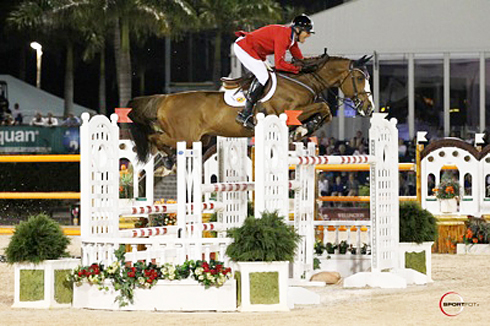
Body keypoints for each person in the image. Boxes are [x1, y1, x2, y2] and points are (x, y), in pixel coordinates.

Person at [233, 14, 315, 129]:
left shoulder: (291, 40)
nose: (309, 35)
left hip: (256, 51)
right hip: (244, 47)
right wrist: (298, 69)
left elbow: (300, 60)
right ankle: (245, 113)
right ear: (298, 29)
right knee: (263, 76)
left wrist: (312, 65)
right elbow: (280, 64)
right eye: (307, 32)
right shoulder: (284, 36)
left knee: (270, 74)